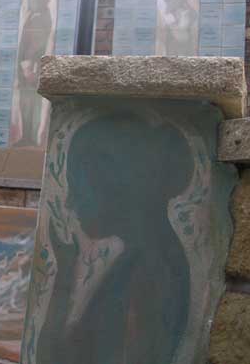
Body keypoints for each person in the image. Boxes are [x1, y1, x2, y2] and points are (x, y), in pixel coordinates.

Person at [37, 112, 193, 364]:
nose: (69, 203)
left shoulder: (151, 274)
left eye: (78, 187)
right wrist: (65, 271)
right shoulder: (139, 259)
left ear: (116, 189)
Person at [11, 0, 55, 148]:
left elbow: (40, 47)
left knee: (32, 103)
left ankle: (31, 137)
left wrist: (32, 67)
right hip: (24, 69)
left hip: (32, 70)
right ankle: (26, 136)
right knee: (25, 102)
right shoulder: (31, 16)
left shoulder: (44, 17)